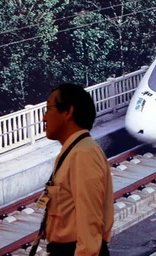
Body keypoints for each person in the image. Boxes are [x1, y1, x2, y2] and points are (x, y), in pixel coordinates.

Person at [37, 83, 114, 256]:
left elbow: (89, 227)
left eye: (48, 108)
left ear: (68, 112)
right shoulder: (74, 151)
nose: (44, 118)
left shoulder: (83, 155)